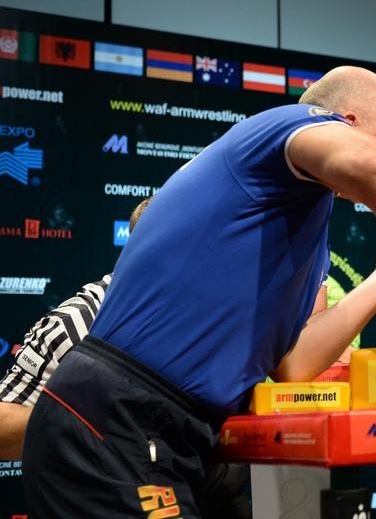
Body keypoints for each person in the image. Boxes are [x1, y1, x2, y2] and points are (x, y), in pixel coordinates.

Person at [21, 66, 376, 518]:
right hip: (118, 415)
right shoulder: (287, 126)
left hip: (169, 432)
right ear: (348, 123)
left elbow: (293, 364)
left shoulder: (301, 228)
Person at [1, 198, 252, 518]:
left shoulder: (213, 316)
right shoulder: (77, 323)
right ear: (143, 252)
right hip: (105, 501)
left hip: (212, 493)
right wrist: (99, 417)